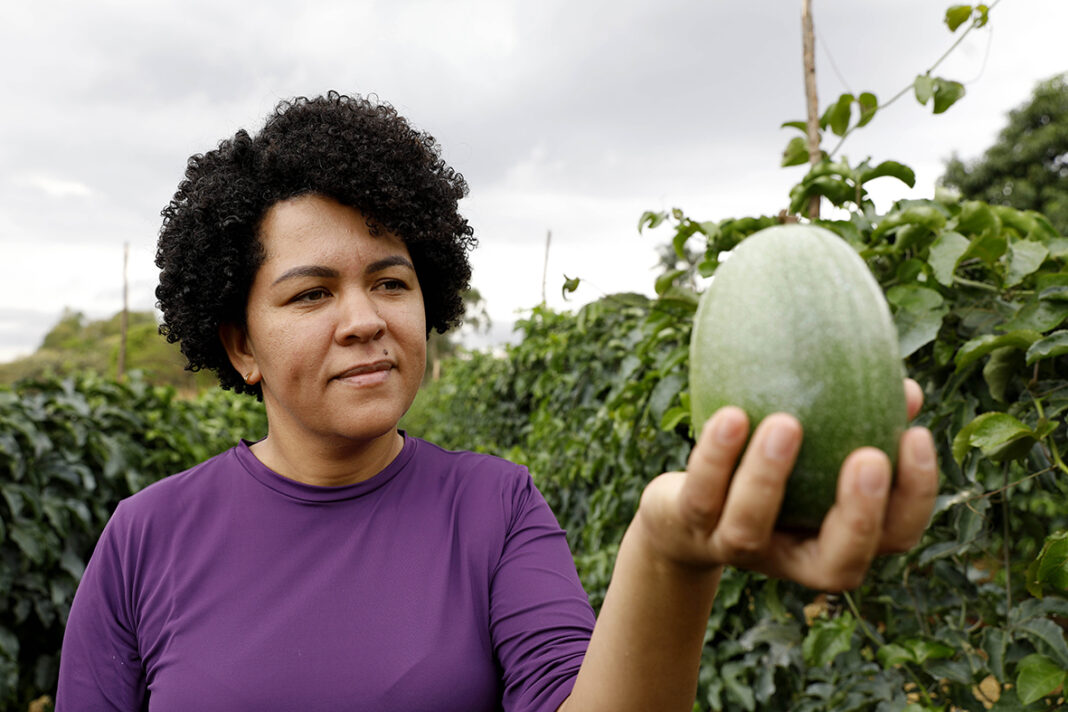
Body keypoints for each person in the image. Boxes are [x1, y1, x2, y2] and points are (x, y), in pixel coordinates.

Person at [56, 92, 938, 711]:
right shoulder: (145, 538)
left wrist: (671, 554)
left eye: (391, 282)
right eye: (311, 294)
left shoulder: (494, 507)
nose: (365, 320)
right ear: (240, 343)